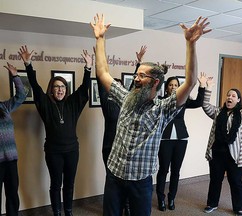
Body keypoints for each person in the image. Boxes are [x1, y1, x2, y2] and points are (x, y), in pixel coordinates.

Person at [90, 13, 211, 216]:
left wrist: (190, 44)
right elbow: (102, 72)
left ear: (155, 82)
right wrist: (100, 39)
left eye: (141, 76)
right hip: (115, 176)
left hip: (140, 181)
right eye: (137, 75)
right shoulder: (126, 98)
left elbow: (190, 83)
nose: (136, 78)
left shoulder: (163, 109)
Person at [18, 46, 92, 216]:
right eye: (57, 87)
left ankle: (68, 211)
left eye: (63, 87)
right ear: (52, 89)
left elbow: (83, 88)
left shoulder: (73, 103)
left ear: (66, 89)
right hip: (54, 152)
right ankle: (57, 213)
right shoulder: (45, 104)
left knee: (69, 184)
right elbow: (35, 87)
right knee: (56, 184)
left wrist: (88, 68)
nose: (60, 90)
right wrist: (28, 64)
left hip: (72, 150)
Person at [97, 45, 146, 216]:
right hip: (109, 148)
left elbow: (134, 88)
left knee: (127, 181)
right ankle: (117, 206)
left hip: (126, 151)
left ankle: (127, 207)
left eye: (119, 86)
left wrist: (138, 63)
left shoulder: (129, 105)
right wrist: (100, 61)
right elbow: (101, 80)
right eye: (113, 87)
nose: (117, 89)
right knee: (113, 183)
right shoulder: (107, 103)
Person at [202, 77, 242, 216]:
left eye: (233, 96)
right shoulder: (218, 112)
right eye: (228, 95)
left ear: (238, 100)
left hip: (235, 155)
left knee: (236, 182)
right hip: (217, 152)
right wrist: (208, 87)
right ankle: (212, 203)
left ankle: (239, 208)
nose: (230, 97)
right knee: (215, 180)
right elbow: (205, 105)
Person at [156, 72, 206, 211]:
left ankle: (172, 198)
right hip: (165, 139)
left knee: (176, 171)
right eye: (171, 85)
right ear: (166, 88)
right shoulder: (161, 100)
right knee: (163, 169)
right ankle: (161, 198)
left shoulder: (183, 100)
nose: (173, 87)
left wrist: (202, 86)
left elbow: (198, 103)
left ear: (179, 87)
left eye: (176, 85)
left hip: (181, 139)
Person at [0, 62, 26, 216]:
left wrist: (15, 76)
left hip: (10, 160)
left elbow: (21, 95)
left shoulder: (4, 107)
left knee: (12, 196)